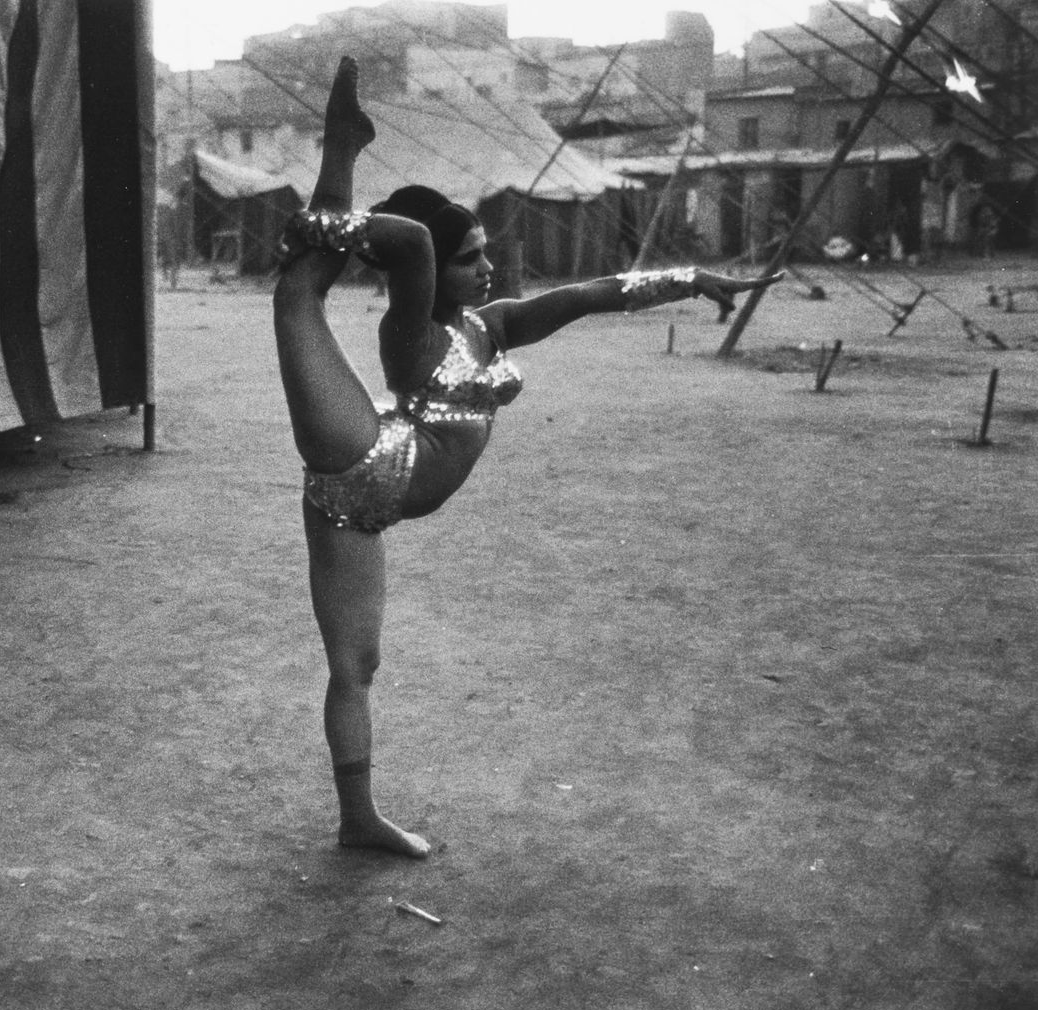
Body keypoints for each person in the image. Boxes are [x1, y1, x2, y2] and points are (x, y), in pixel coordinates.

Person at [273, 57, 782, 859]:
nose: (489, 267)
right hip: (360, 454)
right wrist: (326, 228)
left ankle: (357, 818)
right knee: (298, 294)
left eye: (485, 253)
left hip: (370, 510)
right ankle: (342, 145)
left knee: (357, 665)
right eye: (472, 256)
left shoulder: (491, 327)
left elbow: (588, 295)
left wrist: (694, 278)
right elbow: (406, 239)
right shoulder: (411, 331)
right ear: (438, 270)